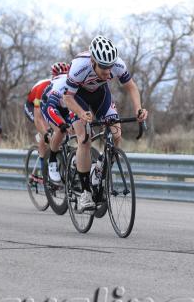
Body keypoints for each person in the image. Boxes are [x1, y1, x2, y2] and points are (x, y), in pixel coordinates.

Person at [61, 35, 148, 212]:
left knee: (117, 135)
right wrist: (80, 113)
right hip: (77, 98)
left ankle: (99, 168)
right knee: (84, 139)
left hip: (101, 95)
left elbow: (131, 86)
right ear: (93, 61)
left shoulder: (117, 64)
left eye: (110, 67)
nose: (108, 72)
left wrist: (139, 109)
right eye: (103, 68)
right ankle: (85, 193)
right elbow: (67, 97)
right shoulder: (79, 67)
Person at [24, 62, 71, 180]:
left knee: (60, 128)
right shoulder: (43, 88)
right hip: (33, 105)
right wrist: (45, 134)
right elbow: (38, 116)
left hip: (52, 103)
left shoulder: (67, 86)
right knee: (44, 130)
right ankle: (43, 168)